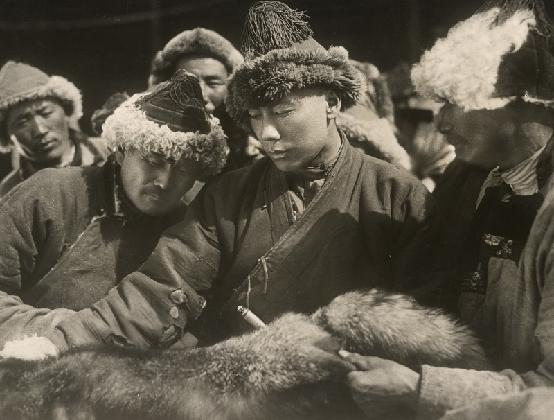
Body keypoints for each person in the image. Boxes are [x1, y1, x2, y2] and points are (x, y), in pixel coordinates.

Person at [24, 1, 430, 353]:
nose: (266, 133)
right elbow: (159, 288)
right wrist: (53, 344)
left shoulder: (396, 194)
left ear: (332, 103)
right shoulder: (229, 195)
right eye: (255, 116)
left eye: (284, 111)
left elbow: (430, 313)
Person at [341, 1, 554, 418]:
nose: (440, 125)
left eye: (455, 102)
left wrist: (420, 389)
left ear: (522, 104)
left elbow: (548, 397)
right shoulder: (473, 181)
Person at [0, 70, 228, 349]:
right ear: (120, 151)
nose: (164, 181)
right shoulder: (50, 193)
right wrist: (61, 332)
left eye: (183, 169)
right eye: (153, 159)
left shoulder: (194, 225)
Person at [150, 27, 263, 169]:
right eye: (187, 82)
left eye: (212, 83)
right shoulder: (143, 146)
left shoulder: (253, 156)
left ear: (232, 89)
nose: (201, 94)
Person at [0, 61, 108, 197]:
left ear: (66, 111)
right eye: (22, 122)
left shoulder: (112, 153)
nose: (40, 130)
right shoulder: (8, 195)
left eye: (46, 113)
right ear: (7, 135)